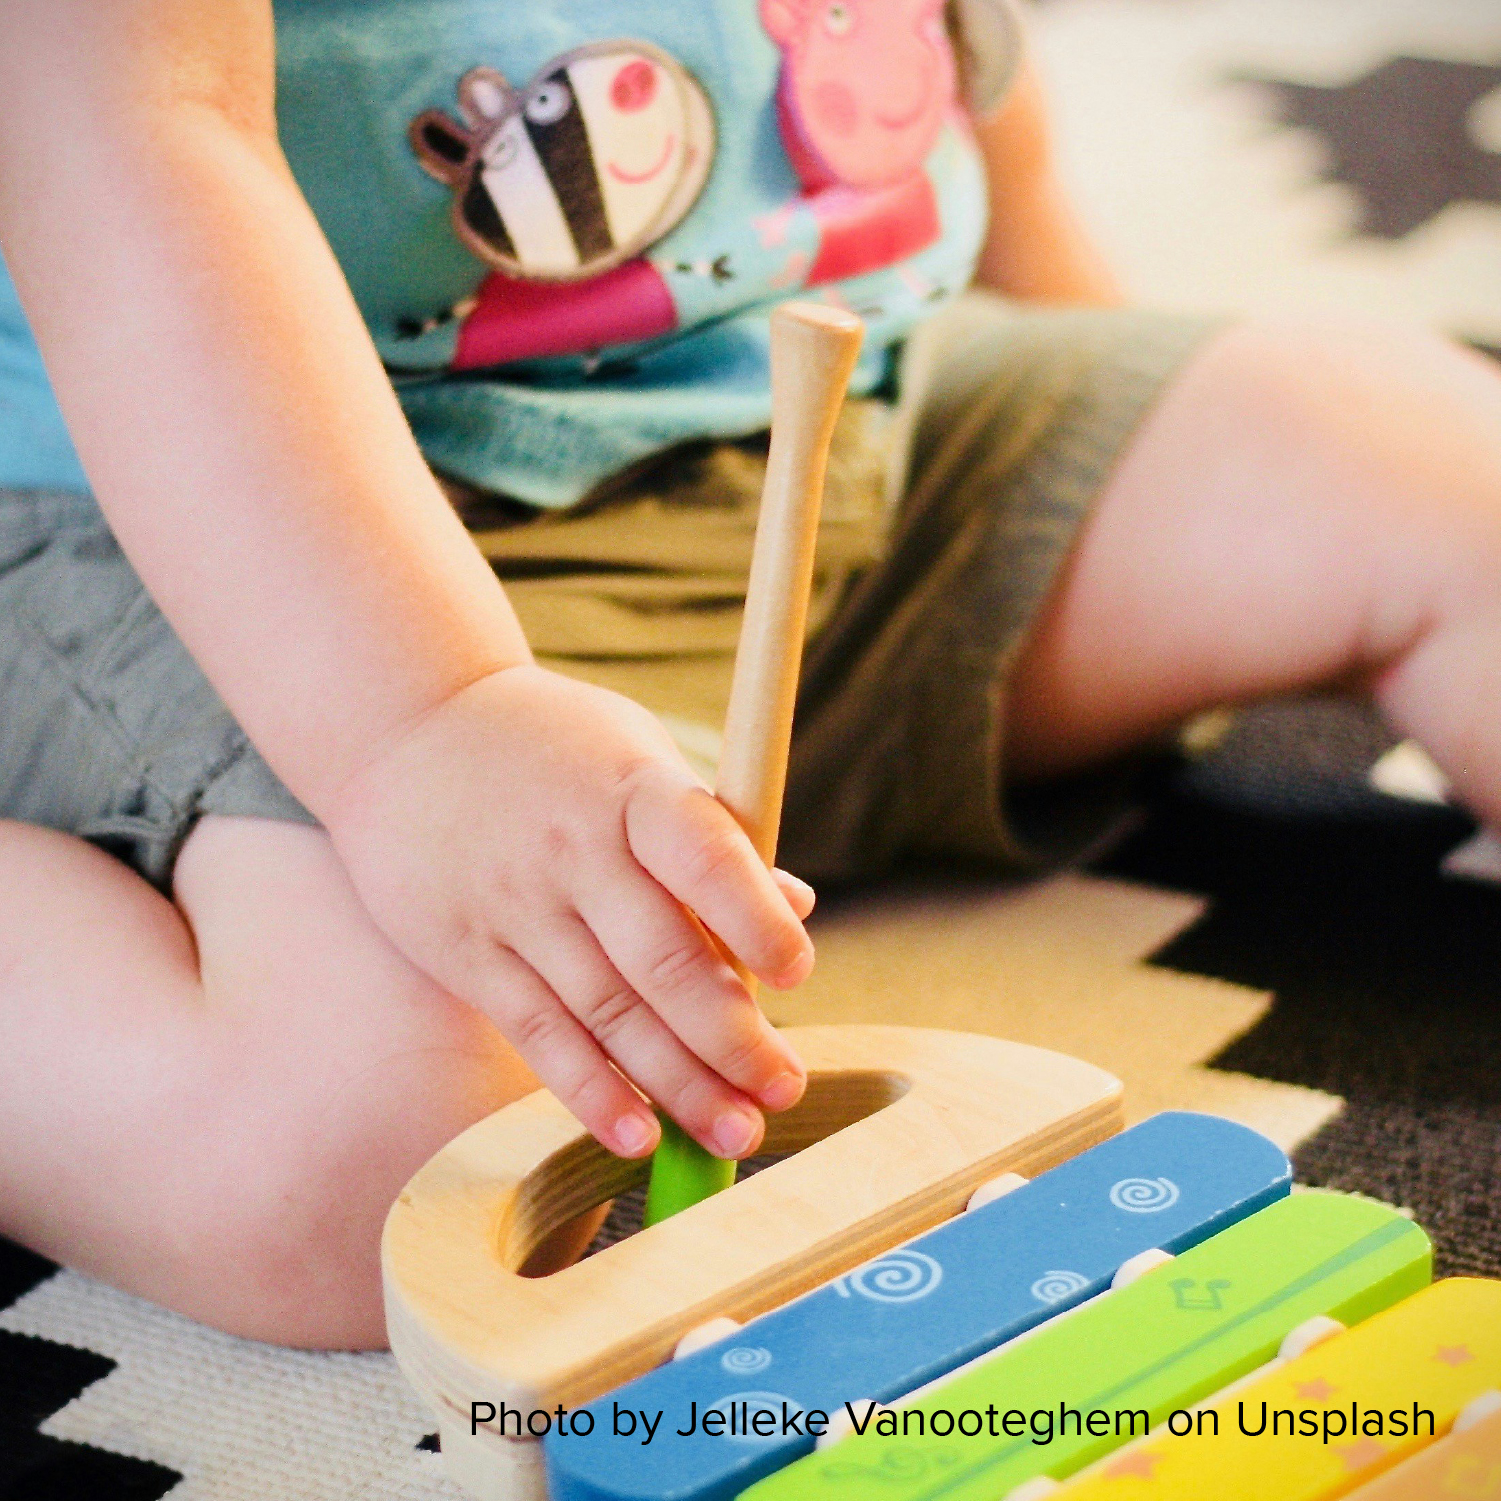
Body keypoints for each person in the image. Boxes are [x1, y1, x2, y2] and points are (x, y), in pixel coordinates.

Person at [2, 0, 1499, 1351]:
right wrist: (423, 727)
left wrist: (1094, 360)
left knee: (1435, 462)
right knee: (376, 1166)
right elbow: (137, 150)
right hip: (261, 544)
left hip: (839, 419)